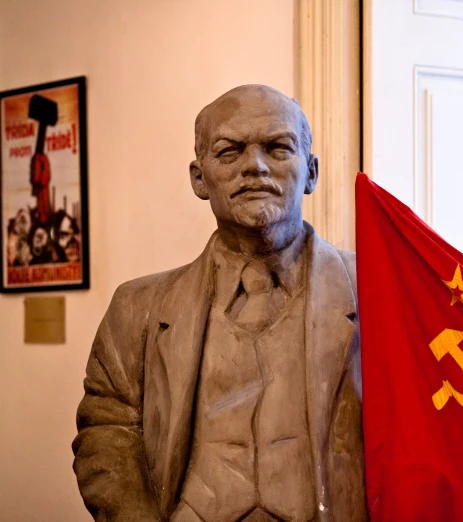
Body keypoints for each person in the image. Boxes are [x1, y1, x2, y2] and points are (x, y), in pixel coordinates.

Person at [72, 85, 366, 521]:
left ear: (311, 172)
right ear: (198, 178)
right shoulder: (137, 309)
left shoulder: (373, 291)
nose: (255, 166)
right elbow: (107, 431)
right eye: (230, 152)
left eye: (278, 147)